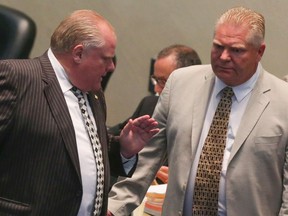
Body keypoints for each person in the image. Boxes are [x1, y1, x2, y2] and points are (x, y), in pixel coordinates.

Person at [107, 6, 288, 216]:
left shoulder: (283, 101)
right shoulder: (179, 83)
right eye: (218, 47)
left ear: (260, 52)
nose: (224, 57)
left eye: (236, 50)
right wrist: (115, 208)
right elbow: (147, 158)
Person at [0, 9, 159, 216]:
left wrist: (123, 148)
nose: (111, 67)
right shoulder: (16, 77)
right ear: (78, 53)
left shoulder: (93, 93)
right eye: (106, 58)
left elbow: (78, 155)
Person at [108, 44, 201, 186]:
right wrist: (147, 170)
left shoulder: (206, 119)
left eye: (163, 81)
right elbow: (110, 139)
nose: (157, 89)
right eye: (155, 80)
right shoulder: (150, 105)